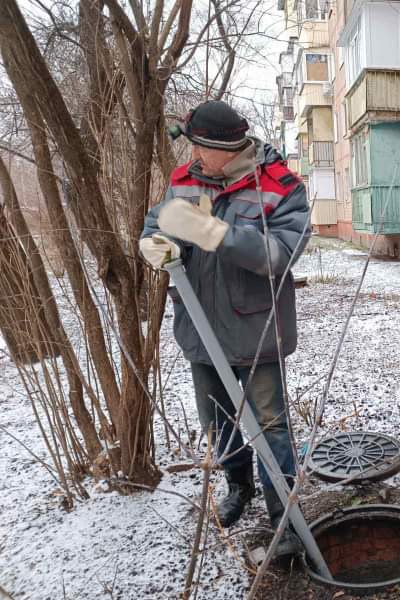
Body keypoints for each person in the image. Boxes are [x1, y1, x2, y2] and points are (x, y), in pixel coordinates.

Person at [139, 100, 310, 556]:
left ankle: (285, 515)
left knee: (271, 425)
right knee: (218, 423)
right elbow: (157, 223)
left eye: (199, 147)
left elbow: (281, 256)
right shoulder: (184, 180)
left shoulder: (281, 186)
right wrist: (152, 243)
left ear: (225, 148)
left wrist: (217, 234)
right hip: (200, 329)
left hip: (257, 332)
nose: (193, 155)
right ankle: (240, 486)